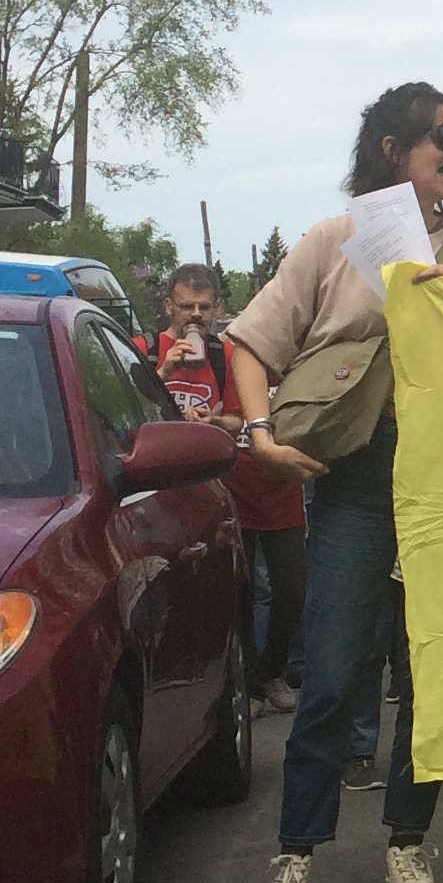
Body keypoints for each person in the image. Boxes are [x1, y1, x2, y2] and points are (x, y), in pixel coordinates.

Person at [230, 83, 443, 883]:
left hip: (440, 481)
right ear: (394, 150)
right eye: (442, 137)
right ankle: (295, 861)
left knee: (428, 677)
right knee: (333, 668)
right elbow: (249, 342)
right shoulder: (334, 241)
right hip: (353, 476)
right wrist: (259, 436)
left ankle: (408, 854)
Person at [146, 264, 307, 714]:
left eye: (204, 307)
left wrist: (214, 423)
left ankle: (269, 671)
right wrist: (165, 368)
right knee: (236, 590)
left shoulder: (228, 354)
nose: (195, 316)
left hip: (267, 482)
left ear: (218, 308)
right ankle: (244, 681)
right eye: (186, 307)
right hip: (203, 493)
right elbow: (133, 415)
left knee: (292, 589)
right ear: (168, 307)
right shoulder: (143, 350)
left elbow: (241, 417)